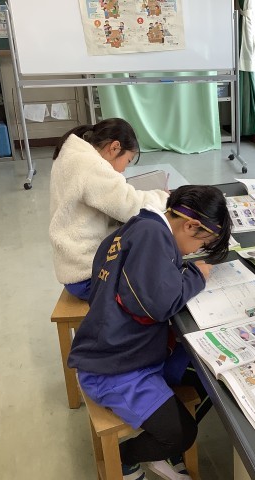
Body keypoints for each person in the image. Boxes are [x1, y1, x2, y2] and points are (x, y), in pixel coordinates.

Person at [68, 185, 231, 480]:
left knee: (204, 371)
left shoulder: (141, 225)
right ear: (190, 225)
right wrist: (197, 275)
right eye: (202, 243)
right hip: (113, 369)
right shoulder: (153, 237)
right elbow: (160, 304)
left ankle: (159, 440)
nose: (196, 252)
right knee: (182, 433)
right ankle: (124, 459)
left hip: (123, 347)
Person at [49, 118, 169, 301]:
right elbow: (130, 205)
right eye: (127, 160)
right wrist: (165, 198)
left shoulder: (73, 154)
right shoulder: (91, 166)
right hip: (89, 276)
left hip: (73, 268)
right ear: (114, 147)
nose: (123, 170)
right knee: (156, 281)